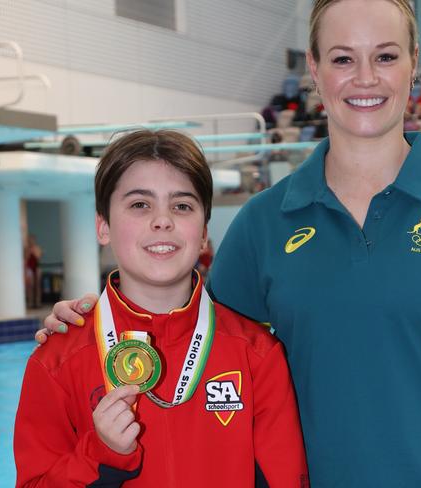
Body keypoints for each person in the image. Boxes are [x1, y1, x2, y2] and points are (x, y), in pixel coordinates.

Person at [39, 1, 421, 486]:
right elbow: (192, 341)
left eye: (386, 56)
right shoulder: (262, 225)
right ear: (314, 68)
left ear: (414, 63)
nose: (366, 78)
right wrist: (94, 318)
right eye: (343, 58)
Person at [15, 130, 308, 487]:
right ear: (103, 226)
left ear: (203, 234)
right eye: (140, 204)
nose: (162, 220)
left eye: (182, 205)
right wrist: (100, 453)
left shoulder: (256, 356)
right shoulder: (58, 360)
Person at [24, 235, 43, 308]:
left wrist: (34, 251)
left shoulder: (37, 248)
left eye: (32, 240)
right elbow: (26, 259)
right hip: (29, 269)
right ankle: (30, 302)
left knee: (37, 286)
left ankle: (38, 302)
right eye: (29, 240)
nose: (31, 242)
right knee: (30, 286)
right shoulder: (26, 249)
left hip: (36, 268)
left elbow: (38, 257)